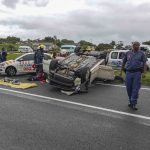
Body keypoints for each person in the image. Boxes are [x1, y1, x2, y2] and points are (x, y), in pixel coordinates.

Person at [120, 41, 147, 110]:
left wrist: (144, 73)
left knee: (135, 89)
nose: (137, 46)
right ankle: (130, 100)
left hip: (137, 73)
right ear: (132, 46)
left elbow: (144, 63)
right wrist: (121, 71)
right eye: (135, 45)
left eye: (138, 45)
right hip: (128, 73)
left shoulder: (142, 54)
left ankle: (134, 103)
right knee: (128, 88)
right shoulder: (128, 53)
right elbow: (124, 62)